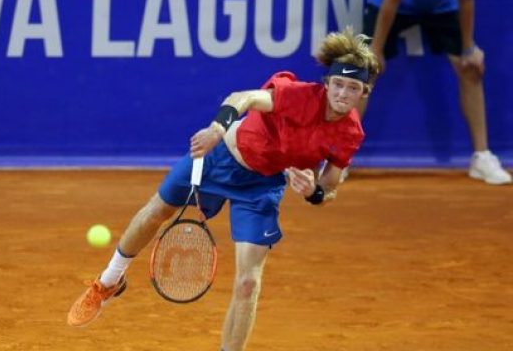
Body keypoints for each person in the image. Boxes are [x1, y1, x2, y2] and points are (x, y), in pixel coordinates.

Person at [66, 28, 380, 351]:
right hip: (219, 159)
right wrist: (218, 129)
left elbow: (330, 187)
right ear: (326, 83)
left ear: (364, 92)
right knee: (157, 211)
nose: (342, 93)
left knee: (248, 282)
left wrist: (314, 191)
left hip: (262, 186)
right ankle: (108, 281)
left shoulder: (350, 134)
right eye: (337, 84)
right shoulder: (298, 95)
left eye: (352, 87)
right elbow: (241, 98)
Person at [362, 0, 511, 185]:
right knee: (362, 70)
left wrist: (468, 48)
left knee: (470, 68)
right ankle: (339, 159)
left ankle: (482, 157)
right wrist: (376, 50)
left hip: (441, 6)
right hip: (391, 4)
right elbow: (392, 0)